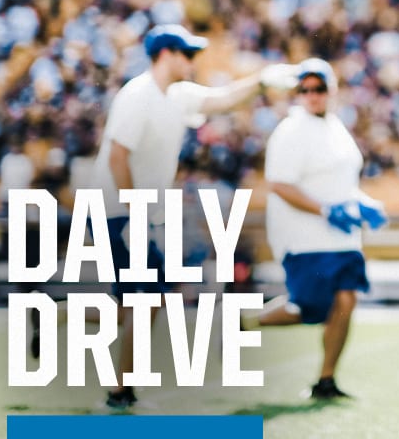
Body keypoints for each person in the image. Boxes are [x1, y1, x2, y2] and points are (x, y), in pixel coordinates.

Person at [93, 24, 299, 410]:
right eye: (186, 54)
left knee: (131, 305)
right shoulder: (138, 96)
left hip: (135, 215)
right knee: (146, 299)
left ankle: (55, 318)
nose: (192, 62)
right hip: (117, 213)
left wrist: (259, 81)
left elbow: (221, 99)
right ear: (165, 54)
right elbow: (118, 157)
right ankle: (120, 390)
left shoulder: (177, 95)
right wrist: (135, 214)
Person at [247, 58, 386, 400]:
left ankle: (326, 379)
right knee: (309, 308)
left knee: (346, 300)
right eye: (304, 89)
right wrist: (325, 210)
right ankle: (245, 323)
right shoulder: (292, 130)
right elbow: (279, 184)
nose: (312, 95)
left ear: (331, 90)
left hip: (343, 236)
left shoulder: (336, 127)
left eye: (319, 88)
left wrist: (361, 201)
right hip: (305, 238)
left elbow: (338, 182)